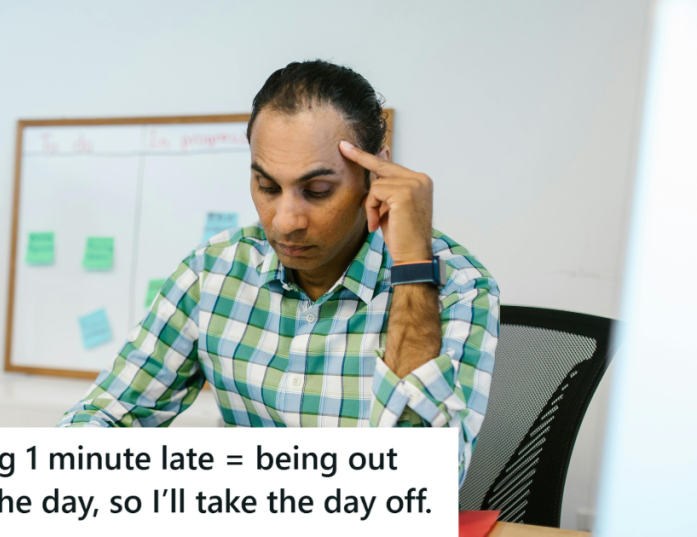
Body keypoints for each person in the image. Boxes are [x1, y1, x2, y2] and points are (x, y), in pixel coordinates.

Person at [58, 60, 500, 486]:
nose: (285, 220)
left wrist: (412, 267)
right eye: (267, 187)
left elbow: (419, 480)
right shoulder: (214, 270)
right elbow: (111, 414)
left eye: (318, 190)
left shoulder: (457, 288)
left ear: (374, 172)